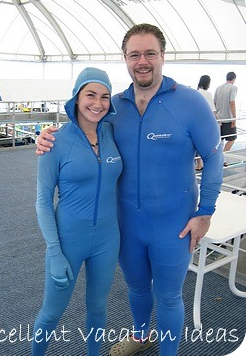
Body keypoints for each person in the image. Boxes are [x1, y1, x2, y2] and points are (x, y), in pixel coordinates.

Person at [36, 24, 224, 356]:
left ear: (163, 56)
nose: (143, 61)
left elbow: (213, 157)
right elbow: (82, 129)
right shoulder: (114, 108)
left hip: (174, 225)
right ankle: (140, 337)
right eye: (134, 54)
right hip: (126, 226)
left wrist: (205, 212)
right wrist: (46, 135)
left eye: (150, 53)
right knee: (136, 288)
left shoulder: (190, 103)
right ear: (125, 59)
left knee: (168, 297)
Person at [32, 67, 122, 356]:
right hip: (69, 240)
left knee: (98, 308)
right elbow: (43, 201)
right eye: (90, 95)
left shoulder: (113, 131)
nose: (98, 104)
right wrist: (55, 252)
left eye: (105, 97)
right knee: (51, 314)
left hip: (108, 239)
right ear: (76, 97)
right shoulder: (55, 141)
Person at [195, 75, 217, 171]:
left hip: (194, 122)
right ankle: (206, 164)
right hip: (204, 122)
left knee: (195, 144)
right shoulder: (208, 94)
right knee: (206, 144)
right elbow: (212, 110)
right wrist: (217, 121)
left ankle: (199, 163)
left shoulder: (195, 92)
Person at [214, 72, 237, 155]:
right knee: (232, 138)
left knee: (220, 140)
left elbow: (214, 103)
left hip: (218, 119)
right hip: (228, 119)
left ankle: (219, 158)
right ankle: (222, 156)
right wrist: (234, 118)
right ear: (234, 79)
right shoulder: (233, 88)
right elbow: (232, 103)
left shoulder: (218, 88)